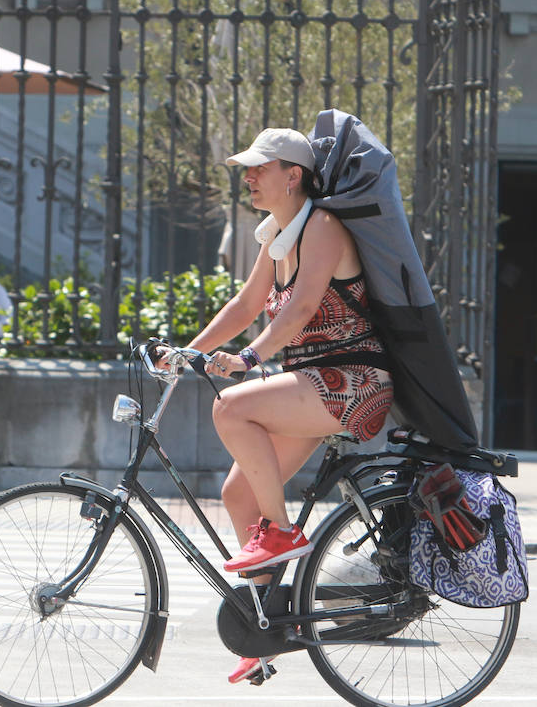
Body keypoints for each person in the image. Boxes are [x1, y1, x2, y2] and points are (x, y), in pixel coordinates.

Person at [170, 127, 394, 683]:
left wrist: (246, 360)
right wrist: (185, 353)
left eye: (259, 168)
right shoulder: (276, 234)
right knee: (236, 492)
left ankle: (283, 531)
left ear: (293, 175)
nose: (248, 177)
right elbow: (248, 303)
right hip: (313, 381)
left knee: (231, 409)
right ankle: (267, 631)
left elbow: (298, 310)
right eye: (247, 168)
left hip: (354, 380)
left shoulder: (321, 226)